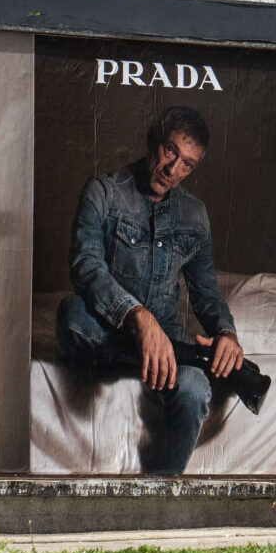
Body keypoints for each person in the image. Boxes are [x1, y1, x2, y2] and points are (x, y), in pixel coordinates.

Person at [54, 104, 246, 474]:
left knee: (194, 390)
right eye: (170, 151)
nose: (173, 170)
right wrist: (137, 318)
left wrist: (226, 332)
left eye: (187, 164)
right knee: (71, 316)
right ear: (153, 140)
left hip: (169, 339)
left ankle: (160, 498)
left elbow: (206, 292)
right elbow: (86, 267)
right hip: (108, 326)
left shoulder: (196, 215)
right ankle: (168, 354)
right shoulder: (103, 192)